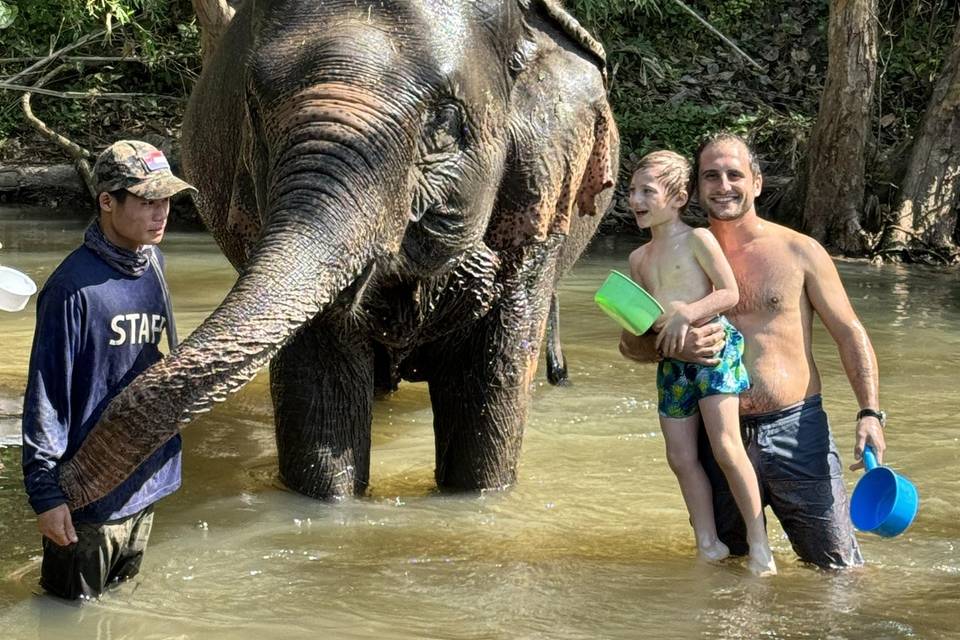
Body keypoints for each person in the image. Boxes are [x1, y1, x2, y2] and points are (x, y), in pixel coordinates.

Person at [621, 132, 886, 569]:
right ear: (695, 189)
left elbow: (849, 332)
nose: (723, 185)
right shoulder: (674, 250)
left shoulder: (798, 250)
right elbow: (631, 344)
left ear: (757, 182)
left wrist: (870, 413)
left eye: (734, 174)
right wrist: (672, 348)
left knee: (837, 570)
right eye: (711, 176)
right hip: (715, 432)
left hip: (796, 431)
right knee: (726, 574)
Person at [21, 140, 196, 599]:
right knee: (67, 615)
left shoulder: (152, 263)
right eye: (147, 201)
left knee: (117, 612)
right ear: (107, 201)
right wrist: (47, 496)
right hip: (89, 494)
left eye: (166, 201)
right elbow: (46, 398)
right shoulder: (71, 290)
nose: (162, 213)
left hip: (145, 481)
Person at [625, 150, 776, 576]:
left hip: (714, 352)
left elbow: (728, 293)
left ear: (676, 198)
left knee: (727, 447)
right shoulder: (638, 260)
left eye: (646, 192)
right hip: (673, 363)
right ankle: (707, 543)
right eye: (632, 191)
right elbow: (643, 320)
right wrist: (641, 324)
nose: (634, 200)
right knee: (679, 456)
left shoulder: (697, 240)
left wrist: (686, 313)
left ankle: (759, 542)